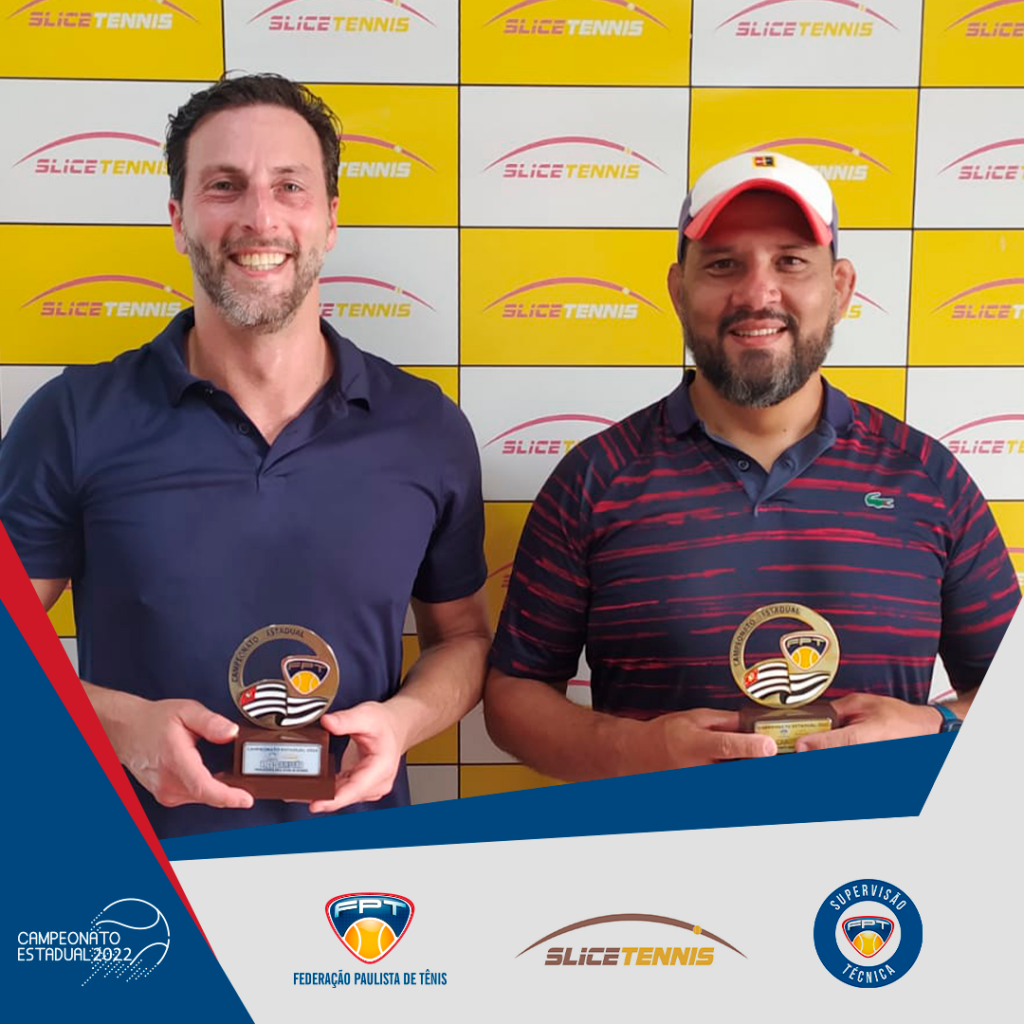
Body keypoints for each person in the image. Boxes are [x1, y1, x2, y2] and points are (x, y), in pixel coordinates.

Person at [0, 75, 490, 838]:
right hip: (133, 874)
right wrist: (114, 723)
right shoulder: (73, 418)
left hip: (357, 876)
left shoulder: (425, 428)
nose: (260, 218)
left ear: (331, 218)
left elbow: (462, 641)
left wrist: (402, 723)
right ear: (178, 218)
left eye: (290, 186)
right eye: (224, 186)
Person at [484, 151, 1020, 780]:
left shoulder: (927, 478)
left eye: (790, 261)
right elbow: (513, 696)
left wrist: (935, 726)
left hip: (877, 845)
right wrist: (632, 751)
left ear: (841, 288)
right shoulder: (596, 479)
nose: (757, 293)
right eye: (723, 264)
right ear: (679, 291)